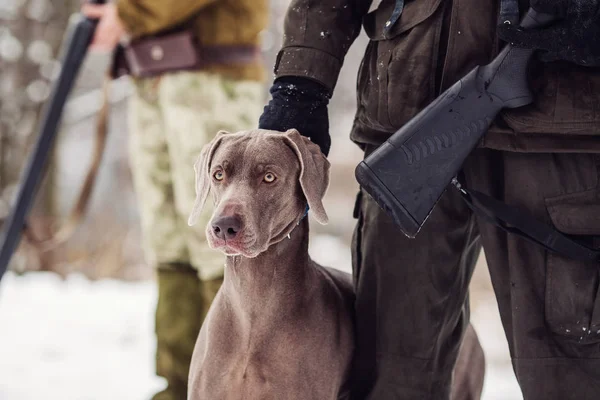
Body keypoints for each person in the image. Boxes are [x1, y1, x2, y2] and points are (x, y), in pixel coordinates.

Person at [259, 0, 600, 399]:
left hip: (562, 131)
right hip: (408, 119)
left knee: (572, 370)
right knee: (392, 371)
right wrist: (302, 85)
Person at [81, 1, 268, 399]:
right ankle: (178, 386)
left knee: (221, 240)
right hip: (151, 77)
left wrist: (130, 13)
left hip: (211, 76)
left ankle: (230, 388)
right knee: (168, 240)